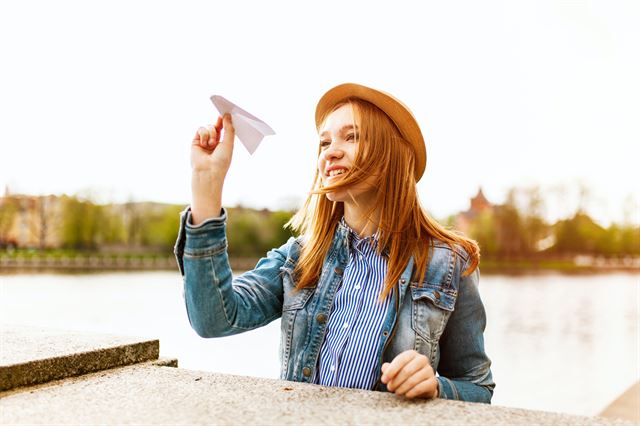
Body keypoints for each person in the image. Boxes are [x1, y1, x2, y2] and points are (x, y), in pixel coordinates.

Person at [174, 83, 495, 403]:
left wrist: (436, 387)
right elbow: (214, 318)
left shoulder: (450, 263)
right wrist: (207, 184)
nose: (330, 151)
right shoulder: (300, 257)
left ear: (391, 153)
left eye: (351, 136)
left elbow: (478, 387)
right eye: (324, 142)